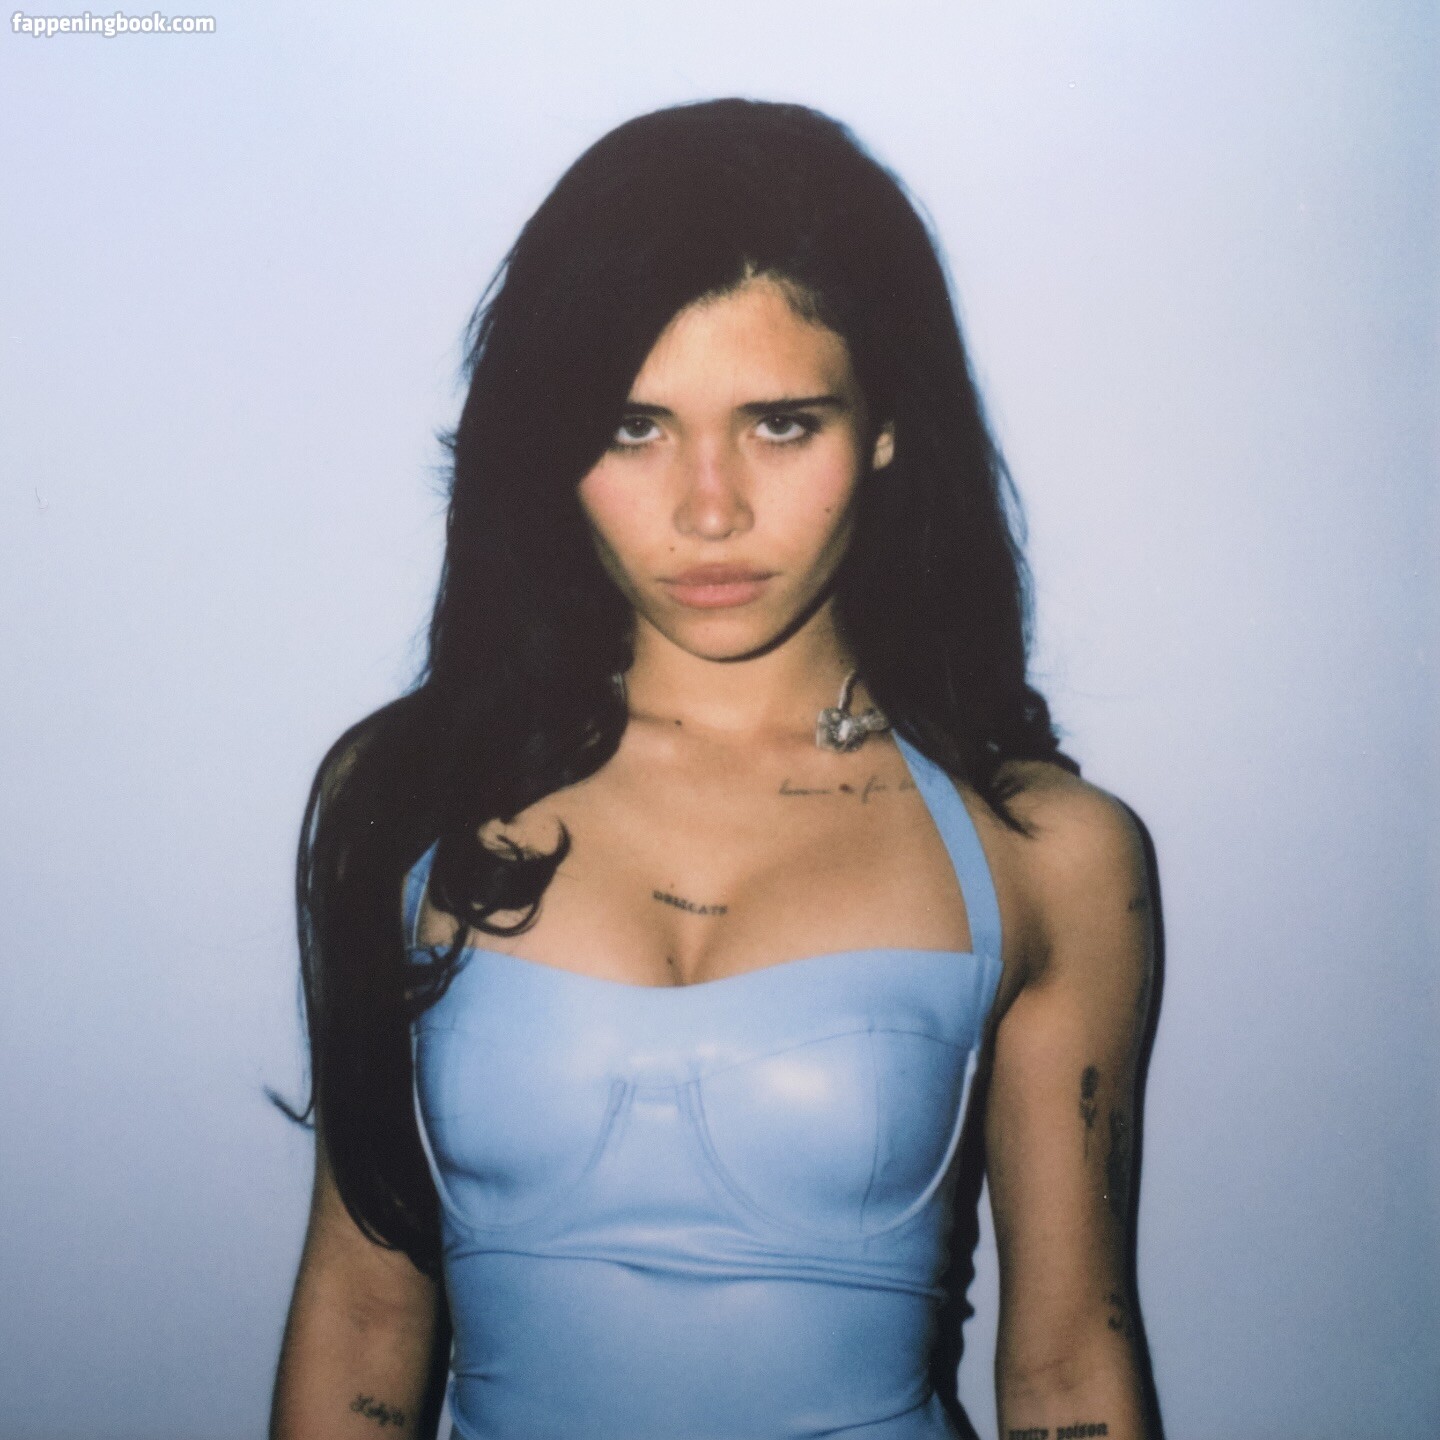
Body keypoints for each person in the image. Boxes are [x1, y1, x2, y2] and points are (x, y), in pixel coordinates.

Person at [270, 98, 1157, 1440]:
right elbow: (361, 1315)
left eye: (780, 424)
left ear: (885, 426)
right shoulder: (406, 795)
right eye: (634, 426)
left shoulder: (1047, 853)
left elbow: (1067, 1373)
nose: (709, 508)